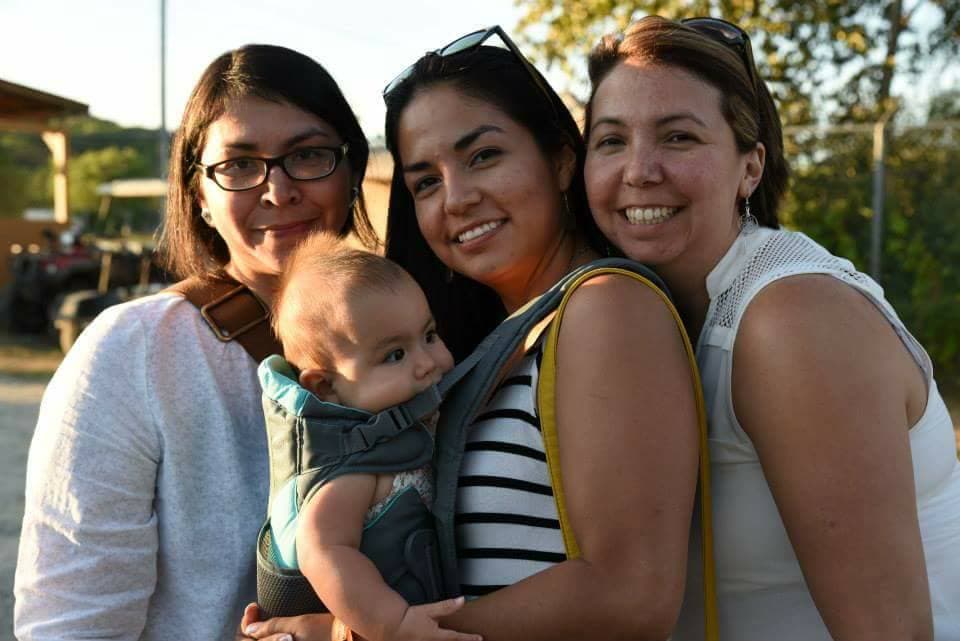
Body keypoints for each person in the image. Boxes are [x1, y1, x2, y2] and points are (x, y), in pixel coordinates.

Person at [243, 26, 703, 641]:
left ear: (562, 159)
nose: (455, 198)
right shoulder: (478, 345)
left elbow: (628, 594)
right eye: (425, 181)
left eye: (483, 155)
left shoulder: (605, 307)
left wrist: (362, 634)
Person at [583, 15, 960, 641]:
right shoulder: (641, 311)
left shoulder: (790, 319)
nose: (640, 170)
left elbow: (892, 632)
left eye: (678, 137)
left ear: (750, 168)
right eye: (611, 140)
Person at [14, 44, 376, 641]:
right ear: (200, 197)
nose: (278, 191)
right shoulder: (133, 352)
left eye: (308, 155)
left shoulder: (415, 331)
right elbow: (72, 623)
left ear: (351, 170)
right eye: (238, 165)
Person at [262, 232, 480, 641]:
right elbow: (321, 549)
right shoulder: (353, 468)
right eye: (394, 355)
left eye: (429, 336)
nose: (427, 362)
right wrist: (393, 625)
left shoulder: (397, 435)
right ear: (325, 388)